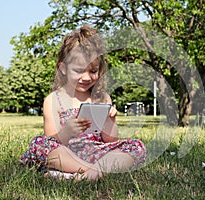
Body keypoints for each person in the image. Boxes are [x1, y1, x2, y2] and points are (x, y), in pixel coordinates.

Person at [20, 25, 146, 181]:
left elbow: (110, 140)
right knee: (39, 144)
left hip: (96, 153)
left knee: (136, 146)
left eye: (93, 71)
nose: (86, 78)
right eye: (79, 71)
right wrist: (67, 131)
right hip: (67, 155)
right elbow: (50, 140)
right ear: (63, 68)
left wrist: (110, 121)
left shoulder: (102, 98)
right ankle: (93, 172)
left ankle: (81, 176)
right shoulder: (53, 100)